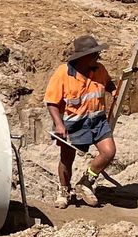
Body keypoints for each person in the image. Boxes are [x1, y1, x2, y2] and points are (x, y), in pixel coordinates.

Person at [44, 34, 118, 210]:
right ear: (84, 57)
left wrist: (114, 91)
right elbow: (51, 102)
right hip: (73, 123)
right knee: (67, 159)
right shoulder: (63, 73)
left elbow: (108, 84)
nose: (98, 57)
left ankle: (86, 181)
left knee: (109, 152)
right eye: (94, 54)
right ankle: (64, 190)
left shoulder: (99, 70)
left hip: (97, 121)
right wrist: (59, 125)